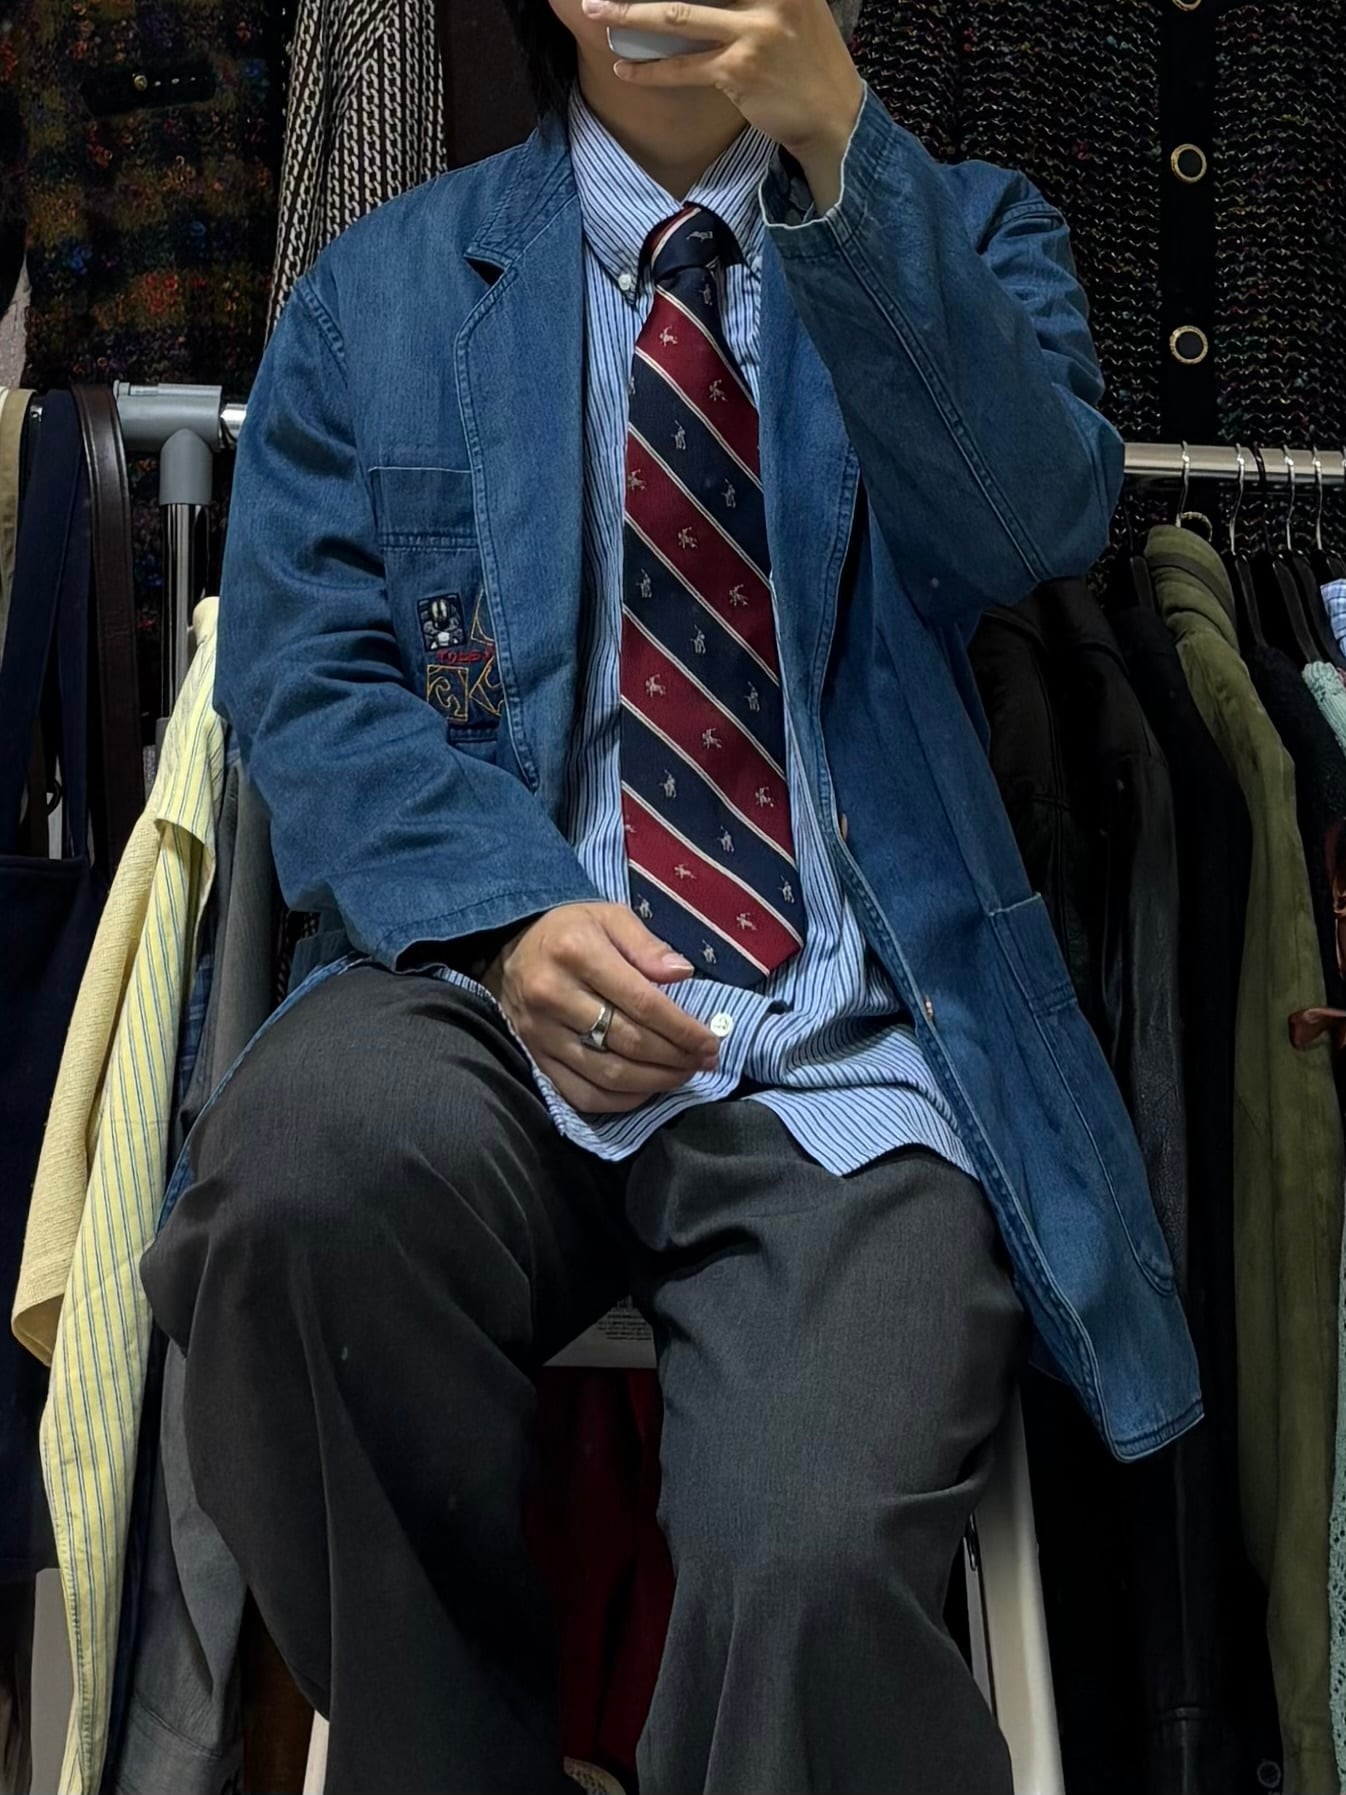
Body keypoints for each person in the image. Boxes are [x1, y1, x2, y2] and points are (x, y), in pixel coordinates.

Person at [141, 3, 1201, 1790]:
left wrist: (842, 158)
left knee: (810, 1558)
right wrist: (503, 915)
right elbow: (306, 683)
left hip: (852, 1047)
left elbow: (1029, 524)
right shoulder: (380, 290)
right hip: (486, 1012)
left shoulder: (964, 228)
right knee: (295, 1194)